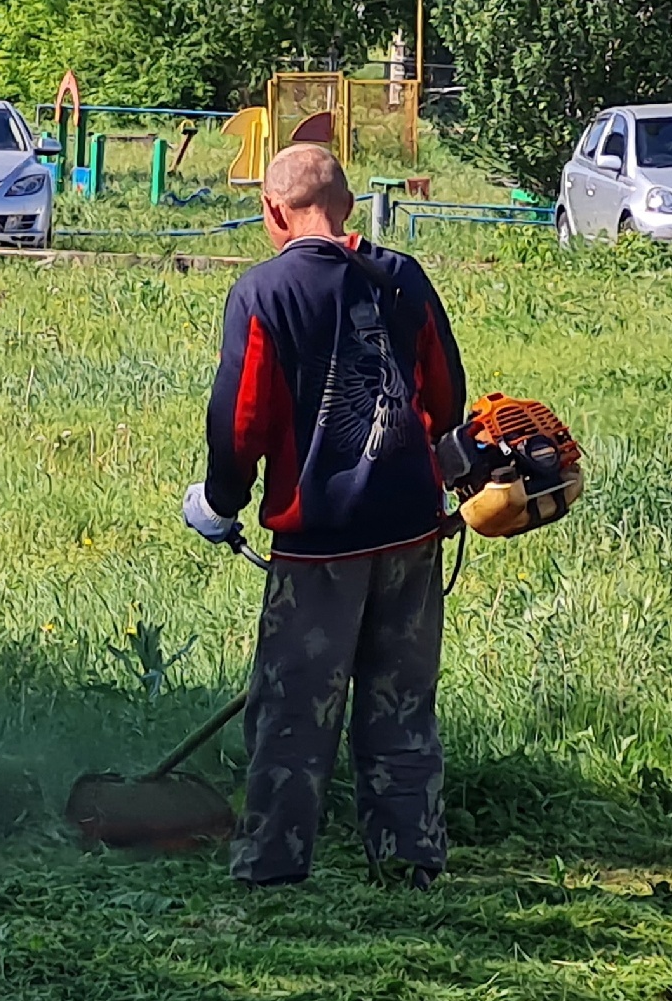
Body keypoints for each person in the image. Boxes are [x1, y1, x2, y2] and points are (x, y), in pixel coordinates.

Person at [181, 142, 468, 887]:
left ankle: (272, 869)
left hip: (320, 545)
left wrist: (219, 502)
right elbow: (445, 389)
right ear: (344, 204)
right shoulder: (401, 275)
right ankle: (410, 863)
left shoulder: (264, 292)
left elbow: (241, 420)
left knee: (293, 714)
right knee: (401, 705)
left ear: (273, 210)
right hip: (412, 528)